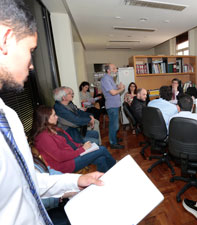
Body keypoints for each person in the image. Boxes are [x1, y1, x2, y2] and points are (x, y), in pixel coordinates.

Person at [0, 1, 103, 224]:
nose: (32, 66)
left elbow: (29, 182)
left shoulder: (8, 116)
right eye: (30, 50)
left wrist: (76, 182)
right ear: (5, 40)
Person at [32, 105, 116, 173]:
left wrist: (81, 146)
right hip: (66, 164)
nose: (57, 117)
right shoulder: (43, 137)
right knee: (102, 149)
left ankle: (104, 180)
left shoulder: (54, 128)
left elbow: (70, 142)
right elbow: (60, 156)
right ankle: (115, 168)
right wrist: (82, 150)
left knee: (101, 159)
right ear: (45, 119)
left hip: (74, 154)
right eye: (54, 115)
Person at [101, 63, 125, 149]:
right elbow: (113, 92)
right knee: (113, 125)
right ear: (108, 70)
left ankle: (114, 138)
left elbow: (114, 89)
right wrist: (121, 89)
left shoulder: (110, 78)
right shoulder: (105, 79)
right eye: (114, 68)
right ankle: (113, 143)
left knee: (115, 125)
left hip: (115, 105)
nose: (116, 70)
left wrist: (118, 86)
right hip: (112, 106)